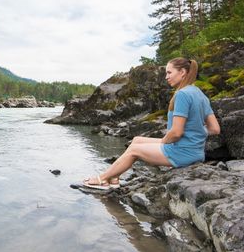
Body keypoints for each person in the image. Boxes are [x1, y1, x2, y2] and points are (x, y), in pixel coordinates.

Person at [83, 57, 220, 190]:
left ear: (182, 72)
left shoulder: (182, 95)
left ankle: (102, 178)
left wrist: (165, 141)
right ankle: (114, 177)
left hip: (182, 152)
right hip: (195, 151)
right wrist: (194, 131)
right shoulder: (200, 94)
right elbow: (215, 129)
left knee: (134, 150)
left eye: (169, 72)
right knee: (136, 140)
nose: (166, 77)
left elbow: (176, 132)